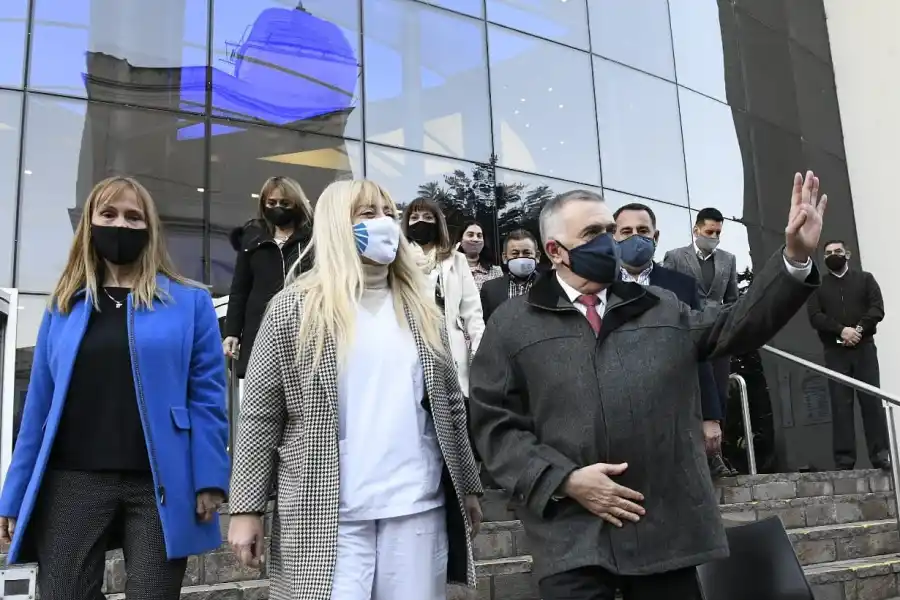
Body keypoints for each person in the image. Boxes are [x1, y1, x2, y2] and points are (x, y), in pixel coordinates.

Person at [469, 172, 826, 600]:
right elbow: (494, 426)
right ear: (555, 251)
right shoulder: (512, 324)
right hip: (571, 537)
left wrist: (794, 259)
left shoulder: (660, 306)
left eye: (608, 229)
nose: (609, 242)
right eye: (593, 233)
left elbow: (737, 324)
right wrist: (564, 480)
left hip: (663, 532)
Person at [227, 179, 483, 600]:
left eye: (388, 212)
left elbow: (450, 404)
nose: (383, 223)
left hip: (417, 505)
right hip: (326, 509)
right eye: (367, 214)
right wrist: (246, 508)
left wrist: (469, 486)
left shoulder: (422, 308)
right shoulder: (293, 310)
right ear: (335, 226)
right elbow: (260, 416)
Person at [0, 176, 230, 600]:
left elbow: (208, 398)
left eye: (133, 216)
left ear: (149, 228)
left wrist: (211, 477)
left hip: (160, 480)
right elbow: (37, 409)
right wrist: (13, 495)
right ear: (89, 224)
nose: (120, 225)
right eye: (108, 214)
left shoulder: (189, 302)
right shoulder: (63, 306)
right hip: (73, 480)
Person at [613, 203, 723, 460]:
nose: (635, 237)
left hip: (673, 414)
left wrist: (710, 416)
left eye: (642, 230)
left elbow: (700, 352)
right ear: (613, 237)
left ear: (656, 236)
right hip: (616, 414)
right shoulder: (597, 287)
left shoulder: (681, 286)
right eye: (626, 231)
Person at [663, 207, 739, 477]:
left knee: (718, 395)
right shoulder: (675, 257)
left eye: (718, 232)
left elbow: (733, 300)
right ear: (696, 230)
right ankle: (689, 457)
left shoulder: (728, 260)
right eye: (710, 232)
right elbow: (665, 295)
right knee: (689, 395)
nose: (715, 236)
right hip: (685, 335)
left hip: (718, 338)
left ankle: (716, 456)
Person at [807, 240, 889, 470]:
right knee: (840, 406)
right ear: (824, 258)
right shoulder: (817, 287)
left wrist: (858, 330)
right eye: (829, 253)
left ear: (848, 254)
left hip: (864, 350)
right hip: (835, 352)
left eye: (838, 251)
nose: (834, 255)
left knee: (872, 402)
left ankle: (880, 454)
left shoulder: (865, 279)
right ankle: (844, 461)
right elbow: (815, 317)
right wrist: (841, 330)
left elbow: (877, 309)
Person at [222, 176, 314, 378]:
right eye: (271, 203)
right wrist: (232, 332)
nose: (278, 207)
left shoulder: (313, 239)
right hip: (260, 329)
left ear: (296, 204)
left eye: (285, 203)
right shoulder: (253, 238)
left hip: (302, 329)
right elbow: (240, 288)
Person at [402, 198, 485, 396]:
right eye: (414, 217)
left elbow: (472, 311)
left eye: (428, 217)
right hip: (409, 347)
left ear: (438, 222)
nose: (420, 222)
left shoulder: (457, 259)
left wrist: (480, 350)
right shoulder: (398, 259)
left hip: (448, 349)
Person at [480, 228, 541, 323]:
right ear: (504, 258)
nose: (521, 258)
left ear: (537, 256)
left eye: (526, 253)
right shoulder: (490, 289)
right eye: (515, 254)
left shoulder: (551, 285)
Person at [458, 221, 503, 290]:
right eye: (470, 235)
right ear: (460, 240)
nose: (475, 239)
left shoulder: (496, 271)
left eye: (479, 236)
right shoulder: (450, 269)